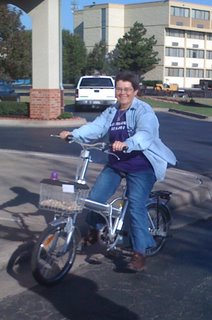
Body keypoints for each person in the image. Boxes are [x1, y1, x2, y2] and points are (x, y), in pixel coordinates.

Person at [59, 71, 176, 272]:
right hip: (117, 164)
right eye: (119, 89)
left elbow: (145, 135)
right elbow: (96, 127)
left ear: (135, 91)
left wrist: (127, 144)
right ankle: (96, 233)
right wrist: (73, 134)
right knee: (95, 198)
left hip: (142, 167)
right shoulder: (112, 111)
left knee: (135, 207)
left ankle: (139, 253)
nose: (122, 93)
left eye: (127, 90)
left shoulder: (144, 111)